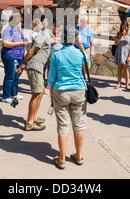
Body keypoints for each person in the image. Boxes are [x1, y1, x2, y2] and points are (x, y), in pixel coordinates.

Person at [48, 27, 89, 169]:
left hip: (61, 91)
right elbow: (87, 60)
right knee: (79, 125)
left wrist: (51, 97)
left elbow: (51, 79)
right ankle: (78, 156)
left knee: (63, 125)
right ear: (74, 39)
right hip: (79, 90)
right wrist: (81, 44)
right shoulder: (80, 54)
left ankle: (62, 159)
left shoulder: (56, 55)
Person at [16, 19, 52, 131]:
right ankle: (29, 123)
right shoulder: (43, 35)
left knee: (40, 92)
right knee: (36, 94)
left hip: (38, 67)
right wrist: (23, 64)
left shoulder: (47, 34)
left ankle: (34, 117)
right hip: (35, 67)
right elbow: (31, 51)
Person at [1, 14, 27, 103]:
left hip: (18, 56)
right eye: (20, 21)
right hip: (10, 56)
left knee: (16, 75)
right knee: (10, 76)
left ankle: (14, 94)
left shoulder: (18, 30)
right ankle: (6, 96)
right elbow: (6, 43)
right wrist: (20, 43)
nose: (21, 23)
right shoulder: (9, 30)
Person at [113, 21, 130, 90]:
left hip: (126, 53)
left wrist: (129, 56)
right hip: (119, 52)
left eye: (125, 27)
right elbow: (116, 43)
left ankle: (127, 84)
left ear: (127, 27)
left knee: (126, 69)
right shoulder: (118, 34)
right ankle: (119, 83)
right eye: (122, 27)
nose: (124, 28)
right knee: (119, 69)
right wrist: (121, 36)